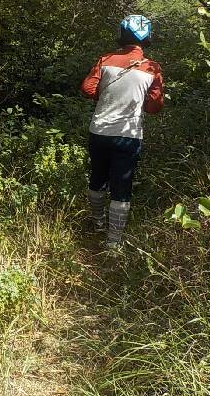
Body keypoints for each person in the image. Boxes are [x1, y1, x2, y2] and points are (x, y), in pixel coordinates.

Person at [81, 15, 164, 249]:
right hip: (128, 137)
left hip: (99, 131)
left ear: (121, 34)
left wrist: (104, 96)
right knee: (122, 187)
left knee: (97, 178)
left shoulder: (106, 59)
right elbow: (154, 107)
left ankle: (97, 223)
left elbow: (88, 88)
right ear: (148, 38)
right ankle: (113, 242)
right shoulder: (152, 68)